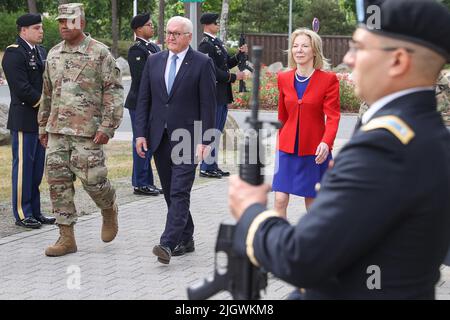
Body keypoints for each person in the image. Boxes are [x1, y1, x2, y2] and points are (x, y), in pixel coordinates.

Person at [228, 0, 450, 299]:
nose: (349, 58)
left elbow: (302, 258)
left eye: (359, 48)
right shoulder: (429, 136)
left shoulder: (384, 147)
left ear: (397, 61)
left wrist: (251, 212)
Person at [38, 3, 123, 257]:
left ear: (82, 23)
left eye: (70, 21)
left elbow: (114, 91)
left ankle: (109, 208)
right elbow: (47, 92)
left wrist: (108, 126)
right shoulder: (53, 54)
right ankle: (66, 237)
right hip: (57, 132)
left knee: (94, 181)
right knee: (57, 184)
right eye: (61, 21)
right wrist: (43, 125)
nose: (64, 25)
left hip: (88, 131)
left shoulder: (99, 53)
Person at [135, 16, 216, 264]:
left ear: (188, 37)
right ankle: (187, 236)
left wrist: (206, 140)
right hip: (159, 136)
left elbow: (208, 104)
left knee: (180, 191)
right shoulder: (154, 60)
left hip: (188, 138)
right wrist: (140, 133)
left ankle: (168, 243)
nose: (170, 37)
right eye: (168, 33)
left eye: (176, 34)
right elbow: (144, 100)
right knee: (171, 191)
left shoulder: (202, 63)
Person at [272, 28, 340, 216]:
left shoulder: (328, 80)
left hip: (315, 149)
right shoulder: (283, 78)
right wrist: (279, 143)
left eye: (304, 46)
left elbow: (333, 117)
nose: (299, 50)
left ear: (314, 51)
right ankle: (280, 243)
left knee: (313, 204)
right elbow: (282, 116)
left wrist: (326, 143)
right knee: (279, 200)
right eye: (295, 46)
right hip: (286, 148)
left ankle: (314, 243)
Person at [2, 13, 55, 229]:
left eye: (41, 27)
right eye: (36, 28)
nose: (41, 31)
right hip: (25, 119)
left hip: (40, 120)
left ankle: (35, 210)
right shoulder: (14, 54)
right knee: (24, 168)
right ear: (23, 30)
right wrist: (45, 104)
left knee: (36, 169)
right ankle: (23, 213)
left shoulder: (40, 52)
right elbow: (21, 88)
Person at [197, 12, 248, 179]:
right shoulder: (205, 45)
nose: (218, 25)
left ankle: (212, 165)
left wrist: (239, 55)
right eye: (215, 23)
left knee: (217, 131)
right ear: (207, 25)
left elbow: (226, 63)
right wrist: (234, 77)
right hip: (214, 93)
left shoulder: (216, 43)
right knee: (211, 130)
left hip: (222, 93)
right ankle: (206, 166)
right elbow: (211, 71)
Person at [124, 13, 163, 196]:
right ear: (139, 29)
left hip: (153, 103)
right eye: (148, 25)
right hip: (140, 102)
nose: (152, 27)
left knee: (150, 141)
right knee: (141, 141)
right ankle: (140, 182)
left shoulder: (153, 47)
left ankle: (147, 181)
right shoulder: (136, 50)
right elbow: (140, 78)